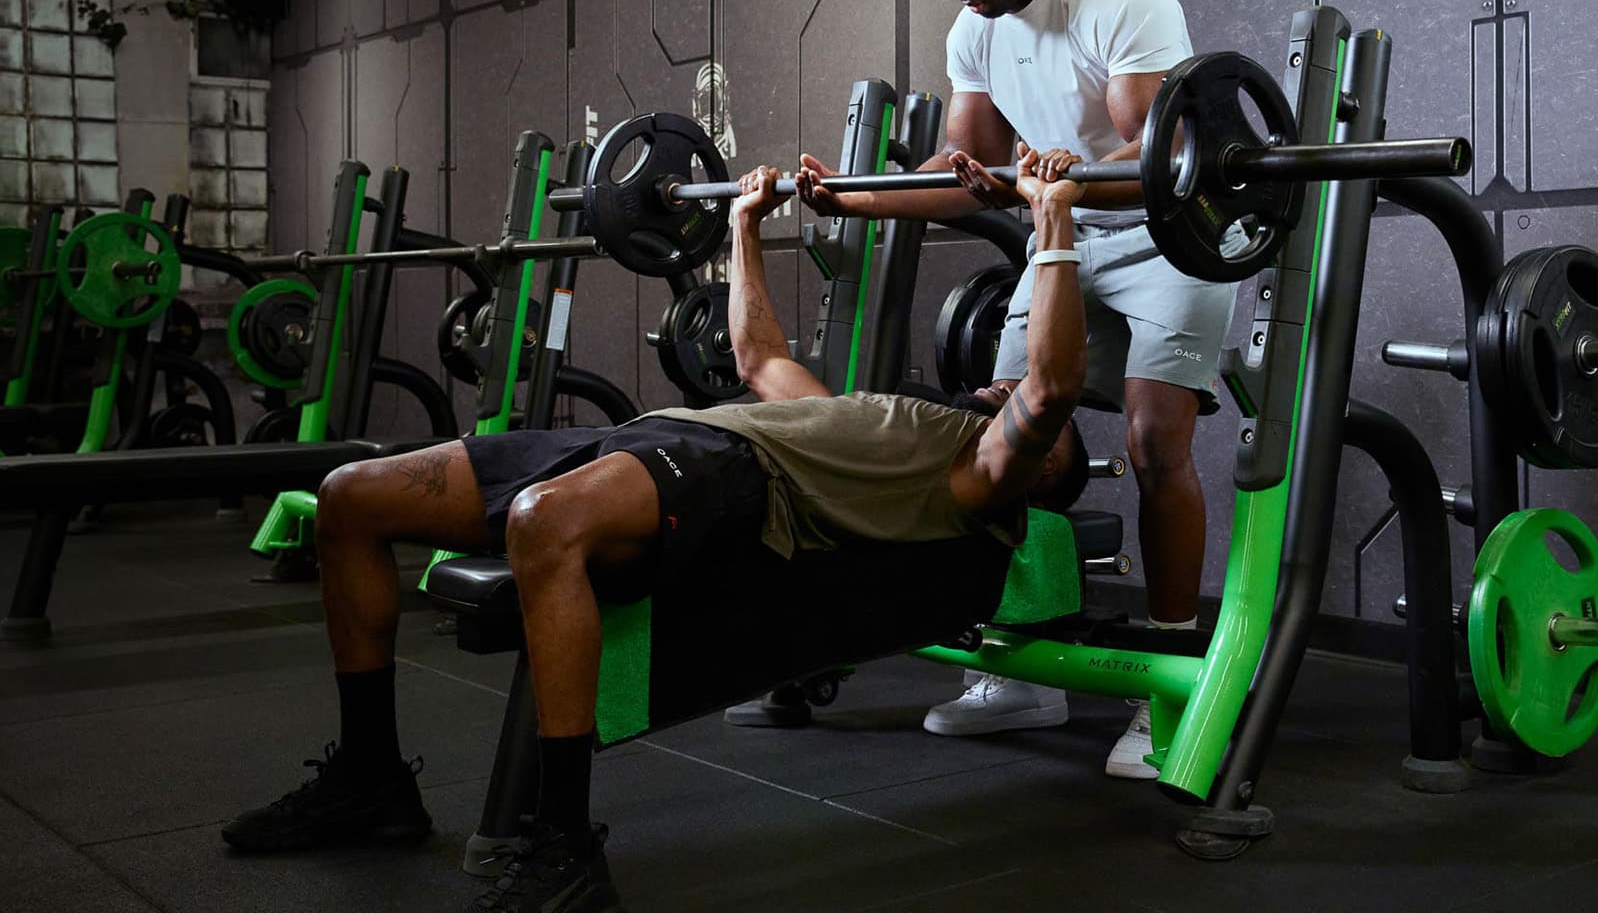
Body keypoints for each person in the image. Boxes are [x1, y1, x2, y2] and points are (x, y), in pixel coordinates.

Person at [219, 151, 1092, 912]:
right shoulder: (881, 414)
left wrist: (1052, 222)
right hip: (663, 434)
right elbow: (758, 362)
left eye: (1024, 419)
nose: (998, 391)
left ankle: (565, 847)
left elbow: (1050, 391)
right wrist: (745, 224)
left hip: (741, 482)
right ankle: (372, 780)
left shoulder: (980, 478)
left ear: (1041, 470)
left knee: (544, 522)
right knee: (348, 496)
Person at [794, 0, 1233, 779]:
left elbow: (1153, 148)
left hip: (1166, 237)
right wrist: (848, 199)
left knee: (1157, 444)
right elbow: (965, 169)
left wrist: (1057, 177)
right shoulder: (975, 33)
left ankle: (1174, 688)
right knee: (1006, 436)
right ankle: (1020, 662)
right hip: (1061, 234)